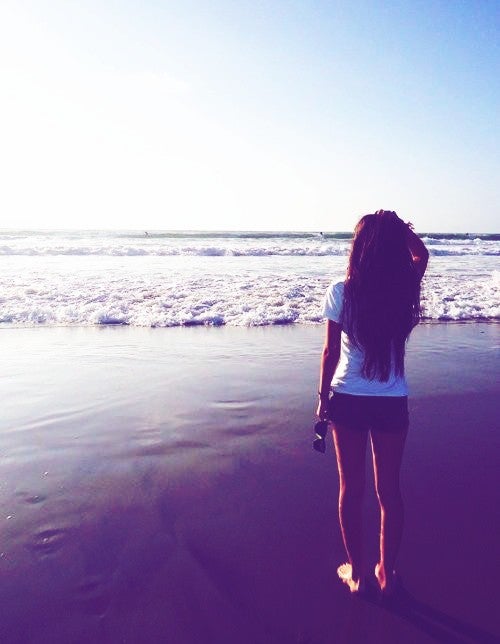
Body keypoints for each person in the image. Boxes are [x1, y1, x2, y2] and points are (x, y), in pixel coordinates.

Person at [316, 210, 429, 596]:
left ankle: (359, 576)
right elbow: (422, 254)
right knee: (389, 493)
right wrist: (398, 227)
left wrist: (322, 400)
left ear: (358, 247)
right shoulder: (403, 288)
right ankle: (386, 575)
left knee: (351, 489)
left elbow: (330, 352)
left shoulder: (341, 291)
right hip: (390, 403)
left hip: (348, 399)